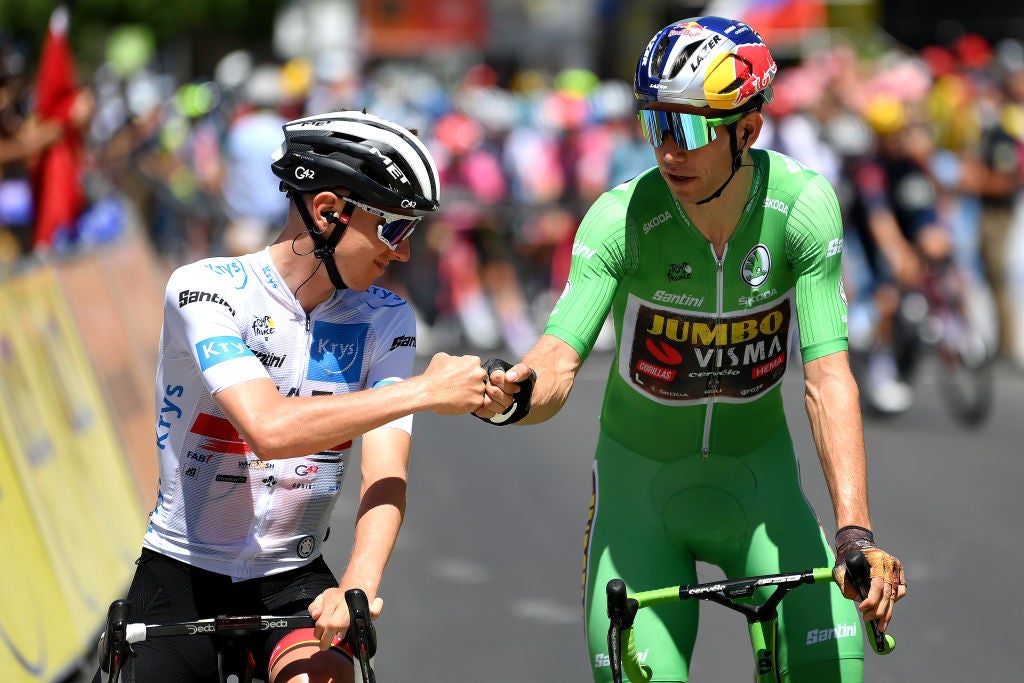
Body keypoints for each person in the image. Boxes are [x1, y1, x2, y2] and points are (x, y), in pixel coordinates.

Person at [475, 17, 906, 682]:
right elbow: (556, 360)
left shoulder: (803, 207)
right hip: (639, 499)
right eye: (659, 125)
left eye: (694, 127)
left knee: (832, 665)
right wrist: (511, 395)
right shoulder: (620, 219)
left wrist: (855, 533)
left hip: (760, 489)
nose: (671, 150)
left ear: (749, 131)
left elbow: (827, 378)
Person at [97, 111, 505, 683]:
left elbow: (384, 472)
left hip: (293, 578)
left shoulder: (385, 317)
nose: (405, 253)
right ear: (328, 212)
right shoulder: (205, 289)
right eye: (394, 229)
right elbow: (269, 429)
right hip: (182, 571)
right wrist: (424, 391)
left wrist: (356, 586)